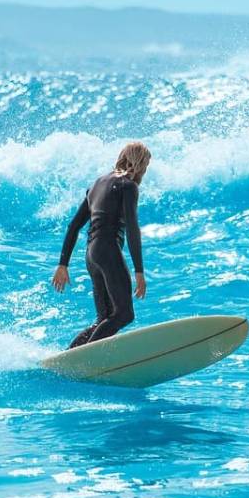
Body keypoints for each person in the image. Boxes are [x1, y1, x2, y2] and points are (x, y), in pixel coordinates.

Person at [52, 142, 151, 348]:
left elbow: (74, 225)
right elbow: (132, 228)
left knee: (104, 317)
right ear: (139, 163)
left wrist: (63, 264)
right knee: (124, 314)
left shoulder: (96, 185)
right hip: (107, 250)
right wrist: (139, 271)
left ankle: (72, 355)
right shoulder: (128, 186)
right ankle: (85, 359)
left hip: (91, 254)